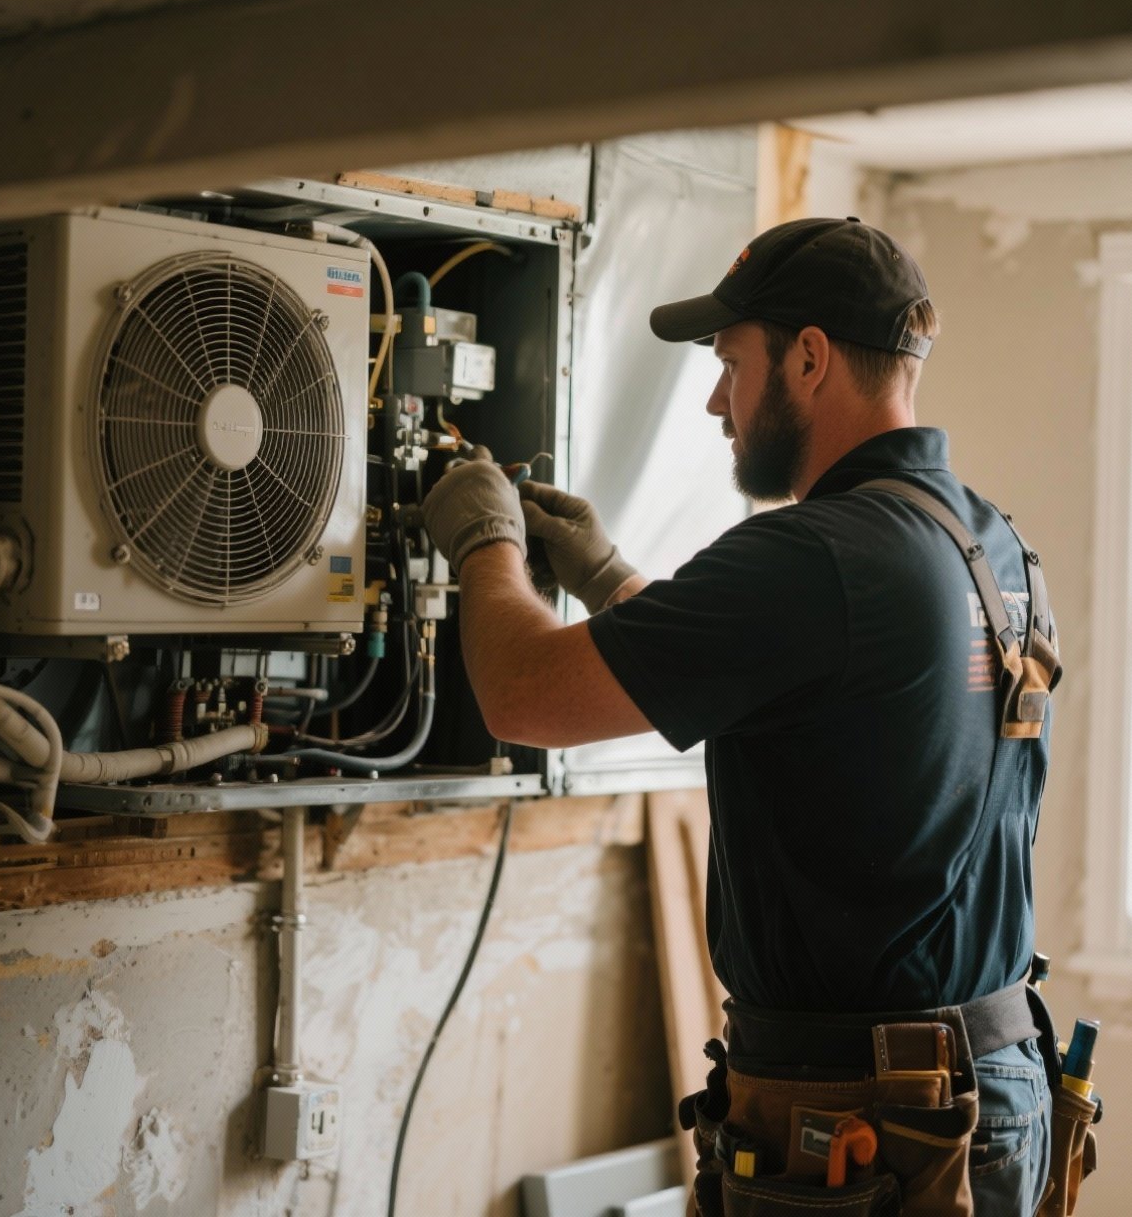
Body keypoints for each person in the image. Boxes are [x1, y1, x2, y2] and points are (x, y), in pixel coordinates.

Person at [421, 217, 1059, 1216]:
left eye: (730, 362)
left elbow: (524, 696)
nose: (719, 400)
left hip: (868, 1120)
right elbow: (795, 687)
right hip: (991, 1085)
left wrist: (483, 542)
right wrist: (606, 576)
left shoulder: (817, 555)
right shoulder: (990, 545)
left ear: (808, 357)